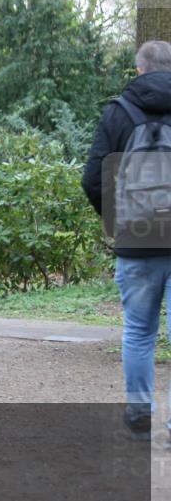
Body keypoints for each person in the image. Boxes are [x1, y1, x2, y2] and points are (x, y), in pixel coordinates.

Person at [82, 39, 171, 447]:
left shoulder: (118, 112)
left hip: (137, 240)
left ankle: (140, 417)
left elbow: (92, 179)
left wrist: (119, 222)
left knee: (138, 330)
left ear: (138, 70)